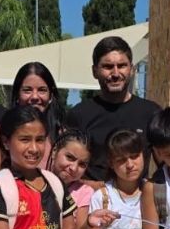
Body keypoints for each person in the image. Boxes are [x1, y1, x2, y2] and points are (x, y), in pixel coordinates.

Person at [65, 36, 161, 182]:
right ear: (95, 71)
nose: (115, 74)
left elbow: (166, 166)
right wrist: (97, 188)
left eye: (122, 66)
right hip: (91, 195)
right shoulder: (79, 115)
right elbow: (66, 170)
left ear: (132, 69)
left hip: (138, 196)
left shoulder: (151, 113)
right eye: (108, 67)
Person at [0, 62, 64, 172]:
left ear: (51, 96)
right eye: (27, 90)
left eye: (42, 90)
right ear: (17, 95)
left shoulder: (62, 136)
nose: (35, 96)